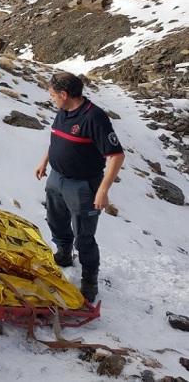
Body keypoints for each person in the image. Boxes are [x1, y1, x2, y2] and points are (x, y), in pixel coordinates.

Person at [34, 72, 124, 303]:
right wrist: (45, 161)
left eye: (53, 95)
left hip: (83, 185)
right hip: (57, 178)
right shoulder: (63, 111)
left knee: (84, 236)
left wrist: (103, 190)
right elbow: (56, 138)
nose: (51, 98)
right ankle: (63, 253)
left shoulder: (95, 118)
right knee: (55, 219)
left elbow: (116, 156)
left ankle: (89, 279)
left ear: (64, 95)